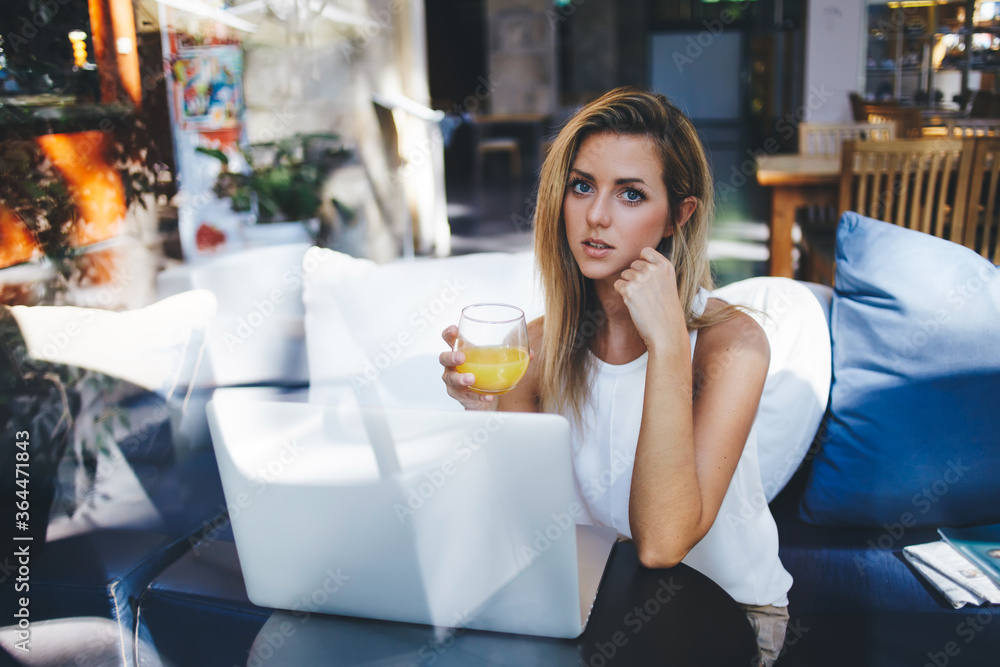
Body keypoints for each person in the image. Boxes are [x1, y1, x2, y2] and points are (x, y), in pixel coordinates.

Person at [439, 87, 792, 667]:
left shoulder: (732, 346)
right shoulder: (535, 345)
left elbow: (660, 544)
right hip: (589, 606)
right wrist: (488, 414)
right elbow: (531, 529)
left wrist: (670, 347)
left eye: (630, 193)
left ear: (680, 215)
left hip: (727, 620)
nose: (596, 216)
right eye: (582, 186)